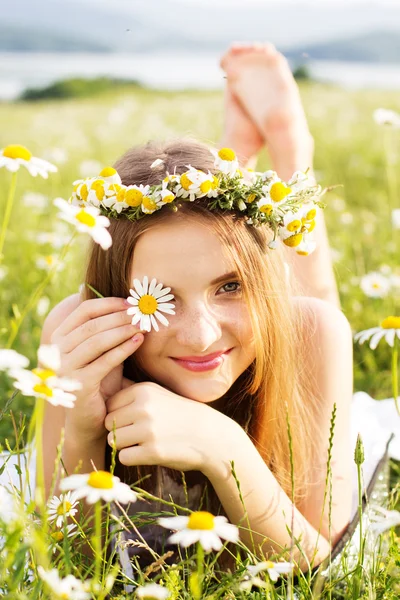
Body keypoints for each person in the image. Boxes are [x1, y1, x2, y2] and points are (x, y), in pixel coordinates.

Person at [0, 43, 396, 589]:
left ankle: (287, 147)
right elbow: (62, 558)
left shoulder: (311, 334)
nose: (200, 333)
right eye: (156, 296)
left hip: (292, 342)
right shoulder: (77, 337)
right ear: (116, 294)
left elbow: (322, 567)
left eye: (228, 286)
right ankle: (234, 161)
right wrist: (84, 428)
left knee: (308, 315)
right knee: (249, 283)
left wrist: (223, 447)